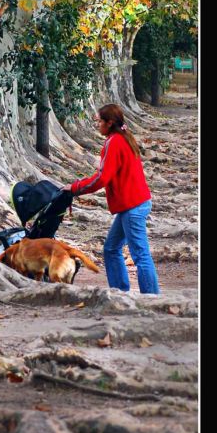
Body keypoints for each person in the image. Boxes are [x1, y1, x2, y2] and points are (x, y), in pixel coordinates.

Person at [63, 103, 160, 294]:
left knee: (140, 255)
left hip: (132, 206)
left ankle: (152, 298)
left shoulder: (114, 142)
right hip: (133, 204)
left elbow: (102, 178)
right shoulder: (123, 138)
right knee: (111, 249)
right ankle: (119, 293)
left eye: (99, 121)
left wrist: (74, 188)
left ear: (109, 123)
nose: (97, 125)